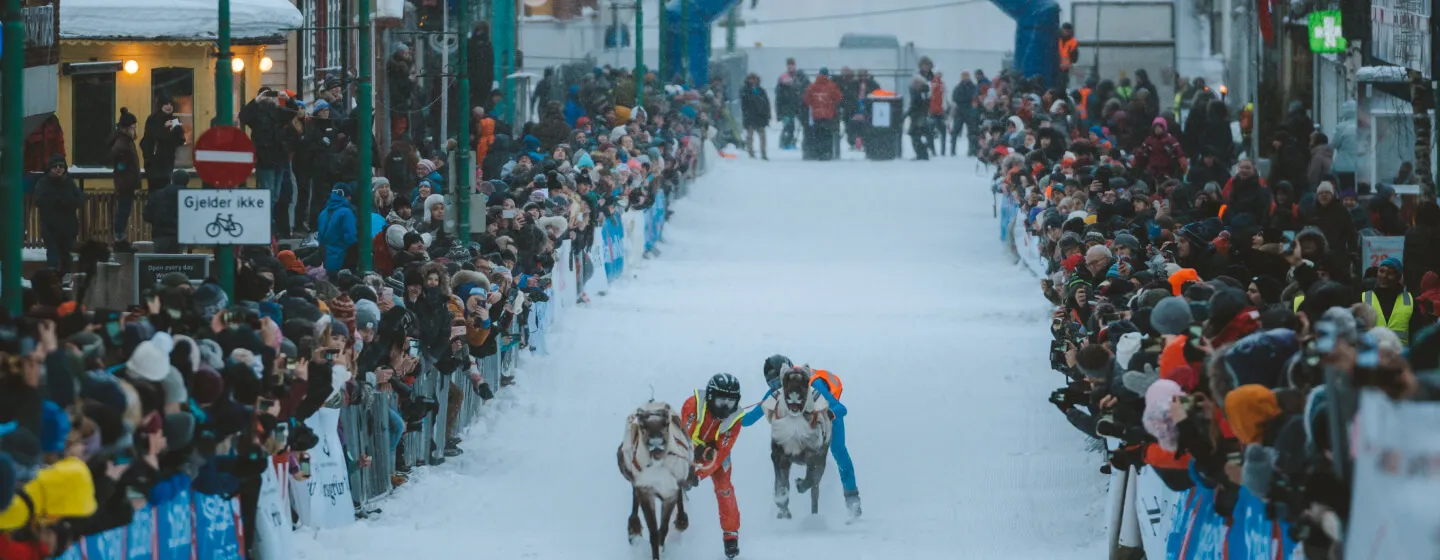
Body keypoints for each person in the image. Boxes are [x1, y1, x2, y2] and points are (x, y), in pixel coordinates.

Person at [681, 373, 744, 559]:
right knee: (675, 478)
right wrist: (695, 455)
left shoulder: (736, 418)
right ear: (709, 396)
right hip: (684, 450)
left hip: (715, 454)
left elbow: (721, 454)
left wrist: (697, 475)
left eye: (730, 402)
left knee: (724, 488)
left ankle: (731, 535)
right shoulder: (692, 404)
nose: (725, 407)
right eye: (720, 400)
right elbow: (683, 438)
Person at [33, 154, 82, 274]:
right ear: (49, 169)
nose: (58, 169)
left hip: (68, 227)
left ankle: (65, 280)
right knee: (53, 256)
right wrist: (54, 200)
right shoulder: (43, 183)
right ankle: (52, 279)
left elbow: (79, 200)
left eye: (61, 166)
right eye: (54, 166)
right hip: (50, 227)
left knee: (66, 256)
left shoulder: (69, 183)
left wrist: (66, 201)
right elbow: (38, 200)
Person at [1365, 258, 1417, 346]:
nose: (1384, 276)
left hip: (1400, 355)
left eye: (1390, 273)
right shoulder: (1364, 298)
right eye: (1381, 271)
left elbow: (1416, 334)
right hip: (1372, 356)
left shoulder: (1410, 301)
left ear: (1398, 277)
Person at [110, 108, 142, 246]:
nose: (135, 130)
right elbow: (121, 164)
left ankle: (120, 237)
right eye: (133, 127)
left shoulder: (124, 141)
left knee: (123, 210)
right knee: (123, 210)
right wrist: (127, 174)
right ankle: (119, 238)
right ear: (127, 128)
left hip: (126, 181)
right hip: (126, 182)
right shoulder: (123, 143)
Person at [140, 96, 187, 191]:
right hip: (154, 162)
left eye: (171, 104)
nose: (169, 106)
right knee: (155, 190)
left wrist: (178, 130)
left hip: (168, 160)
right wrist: (165, 127)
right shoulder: (153, 119)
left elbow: (180, 141)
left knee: (165, 188)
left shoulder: (174, 119)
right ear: (161, 105)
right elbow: (156, 137)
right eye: (166, 104)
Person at [317, 182, 359, 274]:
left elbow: (320, 238)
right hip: (342, 261)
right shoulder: (346, 212)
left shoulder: (323, 213)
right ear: (346, 196)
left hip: (326, 261)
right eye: (348, 196)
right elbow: (351, 238)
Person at [802, 68, 842, 161]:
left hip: (816, 115)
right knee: (827, 134)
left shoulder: (812, 86)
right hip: (828, 115)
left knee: (818, 134)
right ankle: (827, 153)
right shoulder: (832, 86)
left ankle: (818, 153)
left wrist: (815, 104)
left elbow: (806, 100)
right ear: (827, 75)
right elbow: (839, 98)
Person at [144, 169, 187, 254]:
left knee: (159, 264)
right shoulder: (190, 197)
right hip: (180, 235)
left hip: (160, 235)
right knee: (177, 264)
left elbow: (147, 215)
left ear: (172, 180)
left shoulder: (157, 195)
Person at [775, 59, 808, 150]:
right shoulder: (784, 78)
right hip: (787, 107)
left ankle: (788, 142)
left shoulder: (799, 77)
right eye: (789, 66)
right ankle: (785, 143)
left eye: (792, 65)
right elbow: (779, 96)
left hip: (796, 106)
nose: (791, 67)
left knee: (794, 126)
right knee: (788, 127)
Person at [739, 73, 771, 160]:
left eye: (754, 79)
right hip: (750, 117)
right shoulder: (745, 91)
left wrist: (767, 115)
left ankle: (763, 153)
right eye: (751, 79)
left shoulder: (761, 91)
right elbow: (744, 105)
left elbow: (766, 104)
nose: (752, 81)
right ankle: (751, 153)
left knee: (762, 136)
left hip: (759, 117)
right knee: (750, 136)